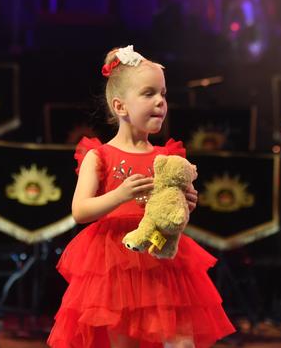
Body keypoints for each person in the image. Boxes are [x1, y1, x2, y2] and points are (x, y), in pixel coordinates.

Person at [47, 45, 235, 347]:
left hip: (163, 262)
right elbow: (80, 211)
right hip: (117, 263)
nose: (160, 101)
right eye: (149, 94)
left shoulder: (168, 157)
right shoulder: (99, 155)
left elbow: (170, 209)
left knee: (181, 341)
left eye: (163, 94)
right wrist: (120, 194)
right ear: (121, 106)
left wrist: (186, 206)